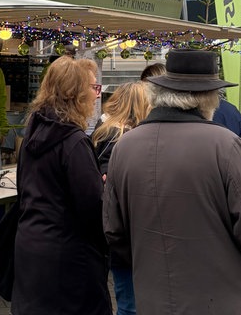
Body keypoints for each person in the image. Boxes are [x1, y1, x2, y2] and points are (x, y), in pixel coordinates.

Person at [103, 49, 241, 314]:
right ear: (208, 98)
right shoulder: (225, 145)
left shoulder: (125, 146)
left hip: (153, 297)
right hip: (224, 298)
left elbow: (113, 229)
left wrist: (147, 264)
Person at [11, 57, 110, 315]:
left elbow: (25, 189)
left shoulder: (32, 134)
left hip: (31, 245)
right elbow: (92, 207)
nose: (95, 94)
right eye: (92, 87)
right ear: (76, 94)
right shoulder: (74, 142)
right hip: (67, 255)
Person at [91, 81, 151, 315]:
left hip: (116, 234)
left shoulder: (104, 130)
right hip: (129, 234)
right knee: (131, 304)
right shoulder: (121, 136)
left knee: (128, 300)